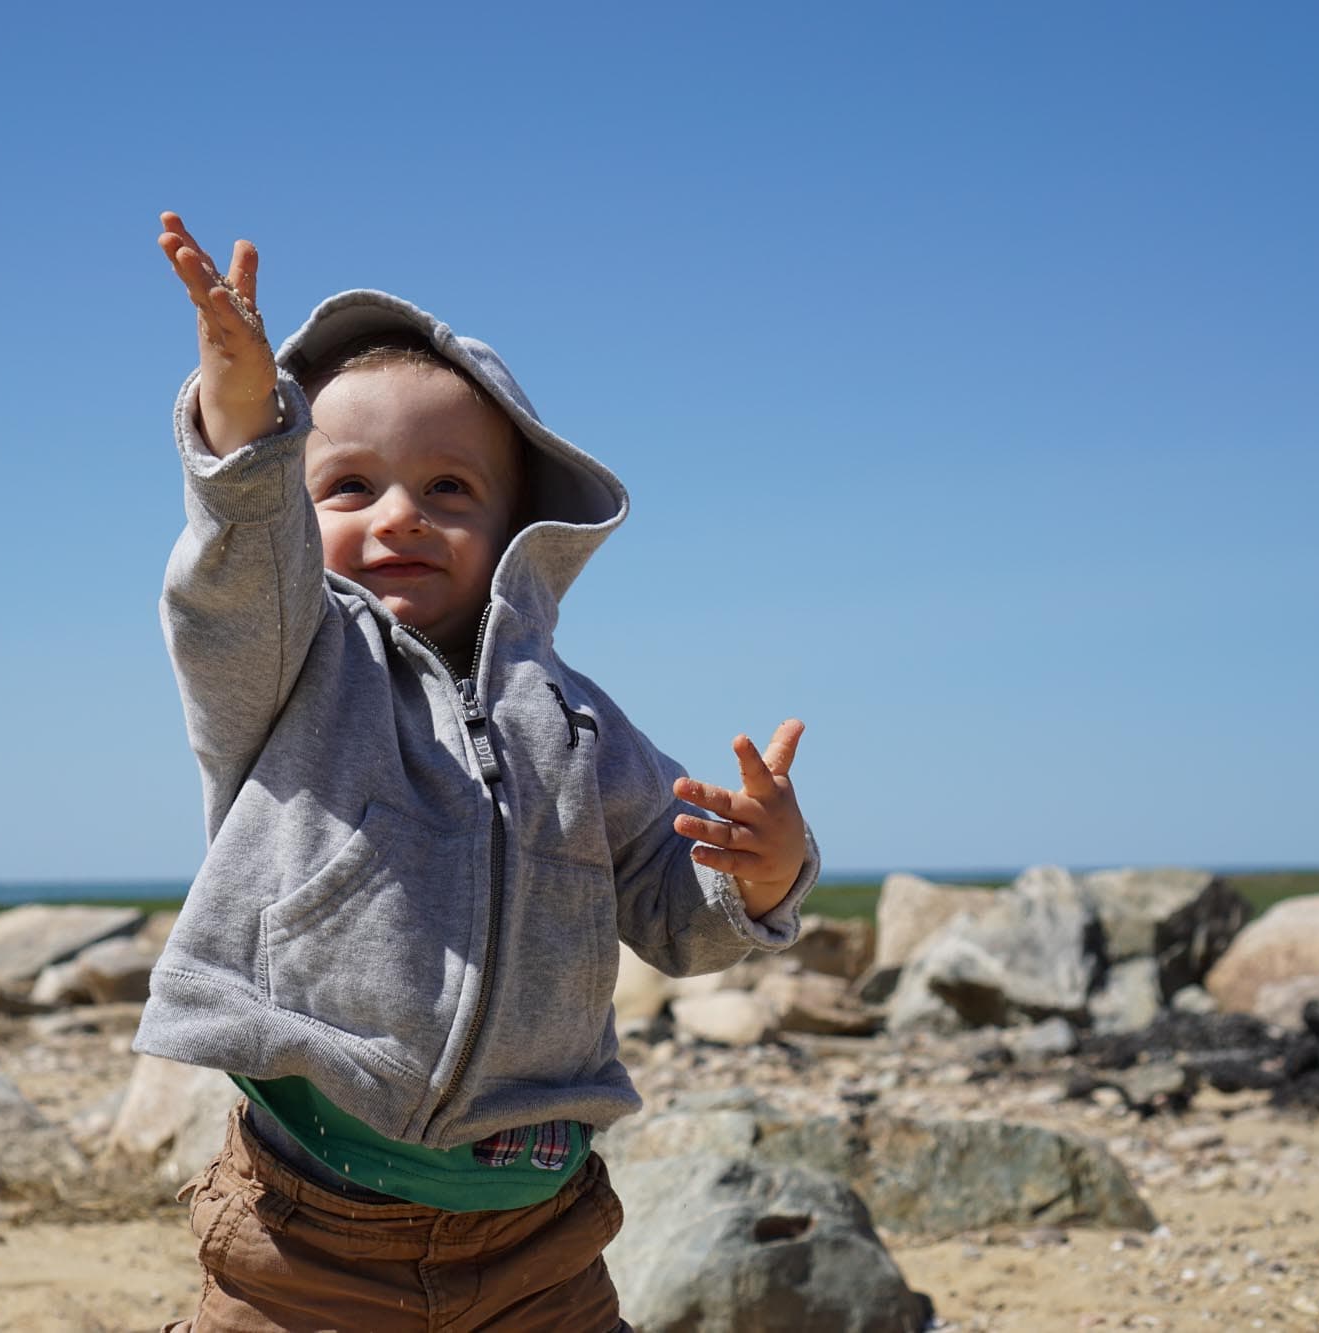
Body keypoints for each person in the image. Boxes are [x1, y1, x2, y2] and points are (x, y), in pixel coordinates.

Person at [140, 211, 821, 1332]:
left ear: (516, 524)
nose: (400, 513)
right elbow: (235, 573)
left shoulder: (578, 720)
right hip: (314, 1226)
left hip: (539, 1235)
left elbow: (673, 912)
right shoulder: (287, 665)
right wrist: (243, 430)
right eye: (347, 486)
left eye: (449, 488)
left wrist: (761, 873)